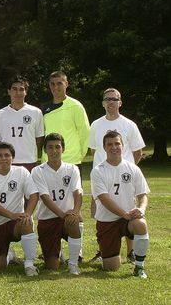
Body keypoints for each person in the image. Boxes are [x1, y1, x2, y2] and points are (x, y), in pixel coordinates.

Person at [88, 88, 146, 263]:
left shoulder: (129, 125)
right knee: (101, 214)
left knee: (129, 213)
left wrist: (125, 173)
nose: (110, 102)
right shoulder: (96, 125)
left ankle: (131, 252)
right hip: (102, 178)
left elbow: (138, 152)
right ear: (103, 103)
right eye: (107, 99)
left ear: (120, 102)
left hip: (125, 179)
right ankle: (103, 250)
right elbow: (93, 151)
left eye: (114, 99)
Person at [90, 131, 150, 278]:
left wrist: (140, 209)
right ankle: (108, 256)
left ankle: (139, 267)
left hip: (128, 219)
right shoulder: (98, 171)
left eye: (117, 143)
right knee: (111, 268)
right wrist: (124, 213)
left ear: (123, 145)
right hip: (107, 221)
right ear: (104, 148)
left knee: (141, 224)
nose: (114, 147)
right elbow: (104, 199)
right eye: (109, 144)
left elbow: (143, 195)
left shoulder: (133, 168)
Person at [0, 142, 40, 276]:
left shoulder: (22, 172)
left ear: (13, 158)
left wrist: (28, 214)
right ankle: (10, 255)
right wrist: (11, 215)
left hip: (15, 223)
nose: (3, 158)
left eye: (7, 155)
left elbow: (34, 194)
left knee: (26, 222)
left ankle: (29, 264)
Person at [31, 133, 83, 275]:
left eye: (57, 147)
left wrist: (75, 211)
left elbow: (78, 192)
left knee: (74, 220)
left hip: (67, 218)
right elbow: (45, 197)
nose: (54, 151)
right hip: (47, 219)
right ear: (45, 150)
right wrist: (62, 214)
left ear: (63, 149)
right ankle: (56, 253)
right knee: (52, 266)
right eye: (50, 147)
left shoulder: (72, 169)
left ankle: (73, 263)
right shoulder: (37, 171)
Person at [42, 71, 89, 168]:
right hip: (48, 161)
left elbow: (85, 133)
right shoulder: (44, 108)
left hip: (71, 161)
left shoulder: (76, 106)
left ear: (66, 84)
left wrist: (80, 155)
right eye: (52, 84)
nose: (55, 87)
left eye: (59, 83)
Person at [0, 76, 44, 171]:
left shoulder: (35, 112)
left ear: (26, 92)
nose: (18, 93)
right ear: (9, 91)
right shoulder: (0, 114)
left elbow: (39, 138)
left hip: (29, 161)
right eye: (14, 89)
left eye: (21, 89)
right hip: (8, 162)